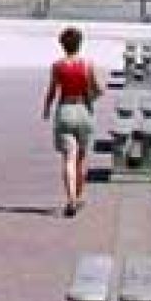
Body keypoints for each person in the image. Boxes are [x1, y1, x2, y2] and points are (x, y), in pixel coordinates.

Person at [41, 27, 102, 217]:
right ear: (79, 44)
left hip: (65, 110)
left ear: (62, 45)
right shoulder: (87, 65)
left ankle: (71, 199)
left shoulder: (57, 66)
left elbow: (52, 91)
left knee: (69, 158)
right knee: (81, 158)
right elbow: (99, 89)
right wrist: (91, 97)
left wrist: (46, 108)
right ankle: (79, 196)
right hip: (83, 110)